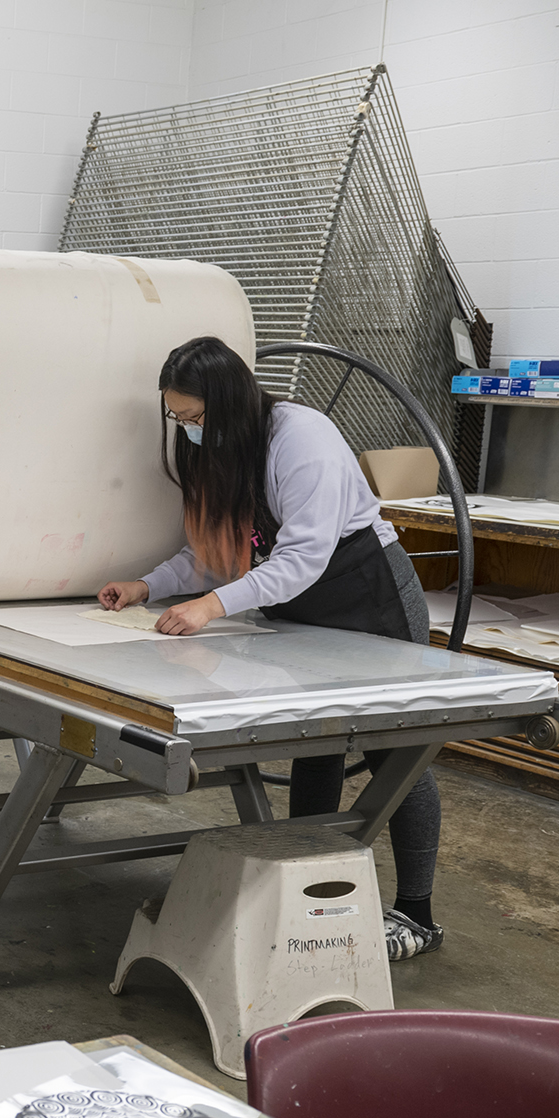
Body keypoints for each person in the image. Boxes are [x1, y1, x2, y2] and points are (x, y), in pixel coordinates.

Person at [96, 335, 445, 962]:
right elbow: (213, 553)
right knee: (315, 741)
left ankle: (417, 913)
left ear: (228, 403)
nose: (186, 429)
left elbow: (304, 556)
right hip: (299, 604)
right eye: (176, 417)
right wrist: (147, 585)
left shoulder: (300, 439)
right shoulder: (217, 451)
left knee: (401, 750)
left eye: (194, 416)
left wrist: (214, 606)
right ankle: (313, 891)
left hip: (366, 592)